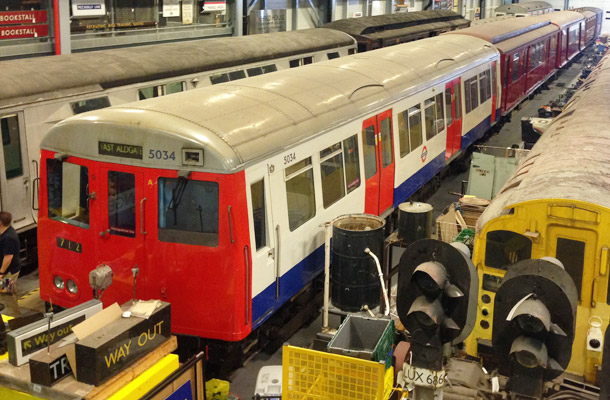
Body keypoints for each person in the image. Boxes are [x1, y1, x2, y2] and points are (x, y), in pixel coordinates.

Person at [0, 211, 20, 299]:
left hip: (9, 273)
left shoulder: (9, 238)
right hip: (7, 272)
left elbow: (8, 258)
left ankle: (13, 313)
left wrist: (1, 273)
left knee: (8, 297)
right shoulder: (6, 230)